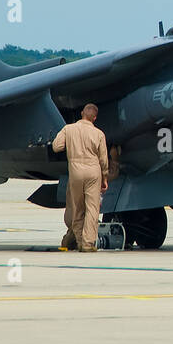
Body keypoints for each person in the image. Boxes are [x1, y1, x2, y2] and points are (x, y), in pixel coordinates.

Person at [51, 104, 109, 251]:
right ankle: (88, 244)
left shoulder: (68, 129)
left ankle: (79, 240)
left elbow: (56, 146)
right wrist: (105, 178)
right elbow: (103, 159)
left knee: (77, 208)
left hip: (76, 171)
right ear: (94, 118)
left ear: (82, 113)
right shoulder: (99, 134)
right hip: (93, 171)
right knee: (92, 209)